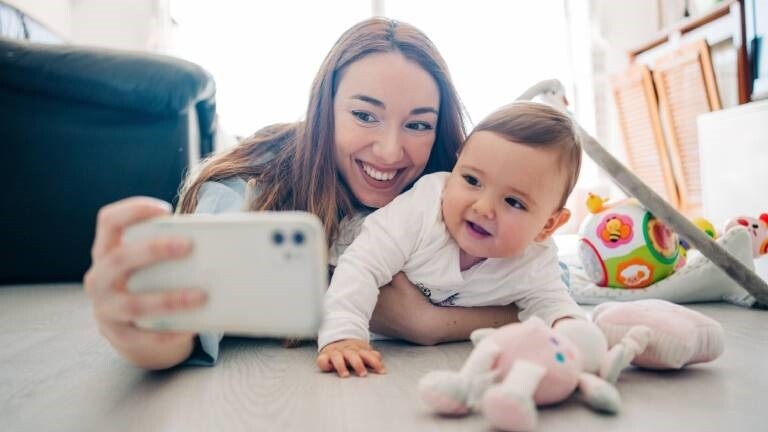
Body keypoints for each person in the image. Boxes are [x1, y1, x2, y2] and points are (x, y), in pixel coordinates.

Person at [83, 17, 522, 370]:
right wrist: (139, 333)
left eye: (418, 124)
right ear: (323, 110)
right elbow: (182, 331)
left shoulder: (453, 188)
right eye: (364, 115)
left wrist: (429, 323)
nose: (390, 151)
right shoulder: (250, 191)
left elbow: (543, 282)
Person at [316, 102, 586, 378]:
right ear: (455, 168)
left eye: (513, 202)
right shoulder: (422, 208)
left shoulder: (535, 259)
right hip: (338, 255)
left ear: (548, 225)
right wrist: (344, 335)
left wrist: (578, 338)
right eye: (471, 180)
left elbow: (554, 305)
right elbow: (361, 265)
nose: (483, 208)